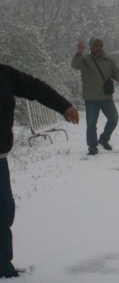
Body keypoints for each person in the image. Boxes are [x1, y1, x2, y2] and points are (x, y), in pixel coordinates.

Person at [0, 63, 79, 278]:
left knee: (3, 212)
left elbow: (35, 88)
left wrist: (64, 106)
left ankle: (3, 268)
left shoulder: (4, 73)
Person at [71, 38, 119, 155]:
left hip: (106, 97)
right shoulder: (85, 59)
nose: (99, 47)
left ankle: (103, 139)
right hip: (91, 98)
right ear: (91, 47)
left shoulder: (109, 60)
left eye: (100, 45)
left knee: (114, 119)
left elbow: (116, 71)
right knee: (91, 124)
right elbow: (75, 65)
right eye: (96, 45)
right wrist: (79, 53)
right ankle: (92, 147)